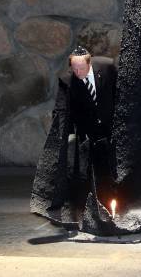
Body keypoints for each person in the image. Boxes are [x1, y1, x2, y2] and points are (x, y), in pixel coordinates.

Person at [46, 46, 117, 210]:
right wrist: (65, 134)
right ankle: (93, 204)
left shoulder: (108, 68)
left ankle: (112, 200)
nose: (78, 72)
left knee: (111, 168)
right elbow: (61, 109)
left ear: (89, 63)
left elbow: (119, 94)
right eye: (74, 68)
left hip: (110, 126)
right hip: (87, 131)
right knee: (90, 169)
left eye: (81, 68)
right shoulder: (67, 80)